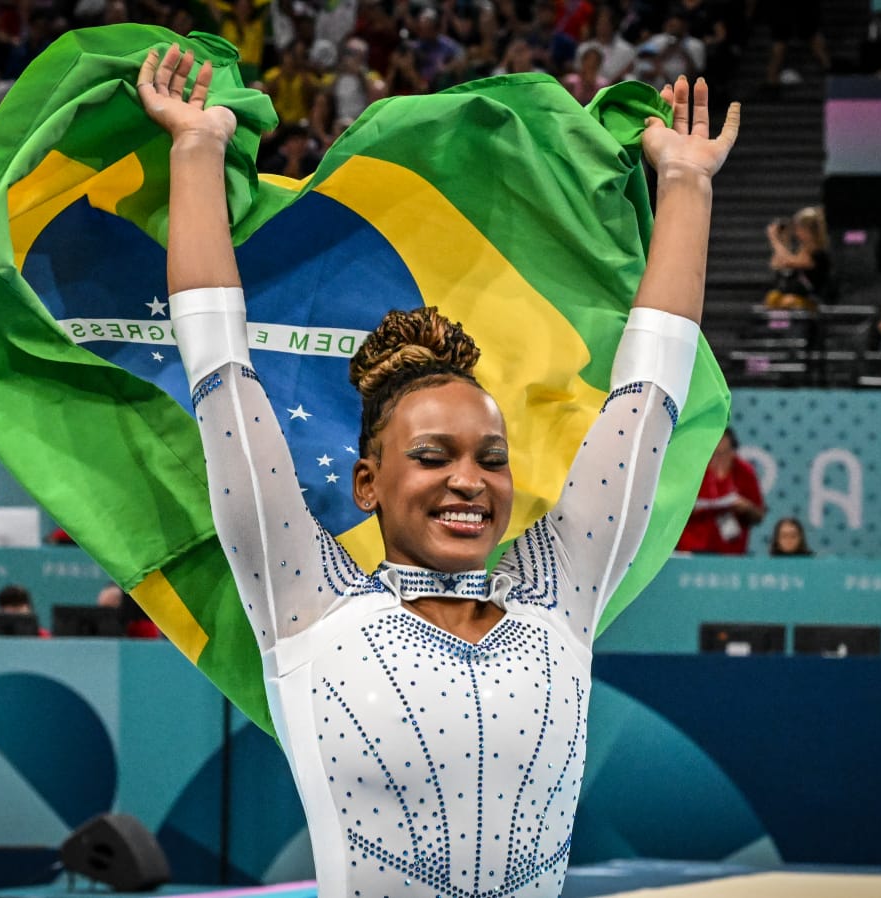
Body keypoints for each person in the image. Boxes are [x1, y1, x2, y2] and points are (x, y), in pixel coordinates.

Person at [136, 44, 737, 896]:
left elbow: (649, 393)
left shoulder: (562, 596)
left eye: (491, 458)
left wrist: (686, 183)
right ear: (367, 483)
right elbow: (220, 376)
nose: (470, 479)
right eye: (433, 455)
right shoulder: (307, 603)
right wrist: (196, 151)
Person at [676, 427, 766, 555]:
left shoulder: (745, 471)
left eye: (725, 452)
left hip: (731, 552)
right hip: (692, 548)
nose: (719, 458)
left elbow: (759, 515)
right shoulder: (694, 469)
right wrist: (688, 509)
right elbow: (672, 513)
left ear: (733, 451)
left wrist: (746, 508)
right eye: (715, 453)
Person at [764, 205, 831, 310]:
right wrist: (784, 240)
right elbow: (776, 264)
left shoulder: (818, 254)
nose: (796, 233)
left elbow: (787, 261)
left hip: (812, 301)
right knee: (773, 297)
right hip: (794, 297)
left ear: (809, 231)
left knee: (789, 301)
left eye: (799, 229)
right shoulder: (801, 251)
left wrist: (774, 239)